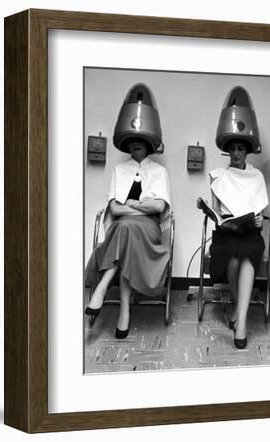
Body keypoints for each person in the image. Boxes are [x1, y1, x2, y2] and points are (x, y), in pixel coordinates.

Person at [84, 84, 171, 339]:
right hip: (125, 229)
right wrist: (139, 208)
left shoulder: (159, 171)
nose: (135, 144)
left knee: (126, 227)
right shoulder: (118, 170)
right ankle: (124, 311)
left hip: (149, 230)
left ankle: (102, 287)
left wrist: (130, 206)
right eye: (132, 141)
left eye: (140, 141)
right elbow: (113, 207)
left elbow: (159, 207)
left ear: (148, 142)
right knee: (125, 228)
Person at [197, 86, 268, 349]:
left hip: (250, 232)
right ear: (227, 150)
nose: (236, 153)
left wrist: (259, 220)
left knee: (248, 255)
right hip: (227, 233)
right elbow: (217, 211)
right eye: (232, 149)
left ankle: (241, 320)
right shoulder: (217, 174)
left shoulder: (257, 176)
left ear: (247, 150)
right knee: (233, 258)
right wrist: (210, 212)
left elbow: (259, 210)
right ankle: (239, 310)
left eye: (241, 148)